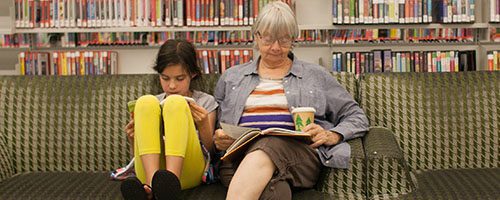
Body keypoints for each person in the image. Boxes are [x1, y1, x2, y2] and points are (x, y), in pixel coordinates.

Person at [213, 2, 369, 199]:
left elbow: (357, 116)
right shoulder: (231, 77)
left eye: (284, 40)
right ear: (256, 36)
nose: (276, 48)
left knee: (268, 144)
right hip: (236, 161)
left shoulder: (315, 76)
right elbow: (215, 129)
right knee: (276, 192)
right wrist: (217, 138)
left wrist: (333, 135)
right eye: (269, 39)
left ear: (294, 39)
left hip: (299, 158)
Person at [120, 39, 218, 200]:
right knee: (145, 101)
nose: (172, 86)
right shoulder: (152, 103)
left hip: (189, 169)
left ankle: (168, 185)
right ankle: (153, 187)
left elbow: (210, 152)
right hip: (151, 170)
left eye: (179, 79)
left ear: (192, 74)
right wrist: (133, 139)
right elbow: (137, 154)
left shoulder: (205, 102)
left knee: (175, 103)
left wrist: (203, 124)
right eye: (165, 78)